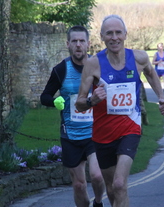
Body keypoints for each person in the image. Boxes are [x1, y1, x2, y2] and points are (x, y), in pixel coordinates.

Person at [75, 14, 164, 207]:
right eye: (109, 33)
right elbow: (79, 103)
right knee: (111, 188)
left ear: (125, 34)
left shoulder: (138, 58)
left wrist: (161, 97)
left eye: (118, 32)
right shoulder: (93, 64)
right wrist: (93, 100)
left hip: (130, 128)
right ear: (102, 37)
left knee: (119, 184)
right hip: (102, 134)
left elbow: (151, 73)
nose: (114, 37)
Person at [40, 25, 105, 207]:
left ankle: (98, 202)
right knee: (78, 185)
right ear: (68, 44)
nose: (78, 45)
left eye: (82, 41)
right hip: (70, 135)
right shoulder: (60, 69)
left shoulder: (98, 66)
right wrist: (54, 101)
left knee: (97, 176)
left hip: (95, 133)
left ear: (88, 44)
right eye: (74, 41)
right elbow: (44, 96)